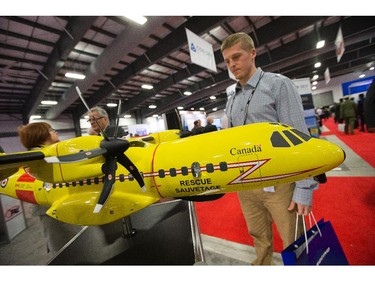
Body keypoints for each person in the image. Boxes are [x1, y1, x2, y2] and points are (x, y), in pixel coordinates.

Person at [221, 32, 318, 265]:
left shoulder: (278, 85)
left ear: (252, 53)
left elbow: (300, 138)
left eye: (237, 57)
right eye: (227, 61)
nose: (232, 64)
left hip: (281, 180)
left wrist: (305, 186)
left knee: (293, 242)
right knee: (259, 238)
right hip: (247, 182)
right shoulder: (232, 96)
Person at [17, 122, 82, 254]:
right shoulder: (38, 156)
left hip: (60, 201)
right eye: (51, 130)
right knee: (64, 248)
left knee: (73, 242)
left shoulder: (50, 152)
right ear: (41, 135)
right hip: (50, 206)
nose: (55, 132)